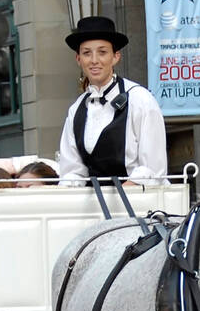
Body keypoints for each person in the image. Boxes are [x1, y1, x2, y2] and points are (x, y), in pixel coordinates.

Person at [57, 16, 168, 188]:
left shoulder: (140, 100)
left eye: (102, 52)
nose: (94, 60)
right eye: (87, 53)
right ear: (78, 59)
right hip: (94, 206)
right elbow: (72, 171)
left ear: (116, 57)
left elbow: (153, 169)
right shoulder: (76, 110)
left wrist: (118, 198)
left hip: (139, 204)